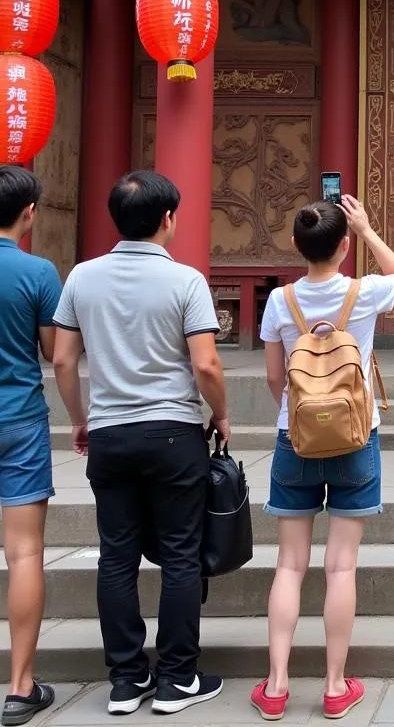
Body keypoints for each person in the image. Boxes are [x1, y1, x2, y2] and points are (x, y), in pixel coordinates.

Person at [52, 172, 229, 717]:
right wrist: (221, 414)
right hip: (174, 432)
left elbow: (62, 360)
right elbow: (205, 363)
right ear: (168, 218)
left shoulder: (81, 277)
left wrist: (81, 419)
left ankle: (127, 681)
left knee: (117, 556)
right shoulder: (186, 281)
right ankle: (178, 679)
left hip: (109, 433)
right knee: (179, 556)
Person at [250, 196, 394, 722]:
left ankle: (275, 687)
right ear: (343, 245)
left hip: (293, 440)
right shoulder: (364, 294)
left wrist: (298, 413)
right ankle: (336, 686)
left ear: (296, 244)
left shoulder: (280, 302)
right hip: (356, 438)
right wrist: (366, 229)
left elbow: (276, 377)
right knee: (341, 566)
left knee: (290, 565)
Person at [0, 167, 62, 725]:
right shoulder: (38, 271)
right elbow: (51, 350)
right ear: (30, 213)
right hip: (17, 419)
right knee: (23, 553)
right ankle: (20, 686)